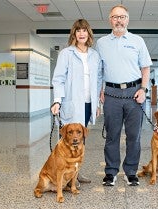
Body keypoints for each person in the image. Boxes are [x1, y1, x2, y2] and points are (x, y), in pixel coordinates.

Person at [96, 4, 152, 186]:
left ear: (127, 19)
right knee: (112, 135)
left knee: (133, 136)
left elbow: (145, 68)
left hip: (134, 93)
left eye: (122, 17)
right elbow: (99, 71)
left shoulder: (138, 40)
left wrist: (143, 90)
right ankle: (110, 172)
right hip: (111, 93)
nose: (118, 20)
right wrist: (100, 91)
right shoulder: (102, 42)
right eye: (115, 17)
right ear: (109, 20)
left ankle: (131, 172)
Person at [51, 19, 102, 184]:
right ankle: (63, 175)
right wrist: (57, 101)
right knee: (67, 141)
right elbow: (58, 78)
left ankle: (76, 174)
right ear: (74, 34)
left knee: (80, 140)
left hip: (88, 104)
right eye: (78, 30)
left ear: (89, 34)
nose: (81, 33)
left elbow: (99, 79)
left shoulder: (95, 55)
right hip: (71, 103)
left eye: (84, 30)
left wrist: (98, 104)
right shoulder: (66, 53)